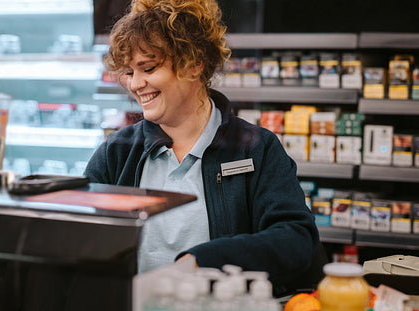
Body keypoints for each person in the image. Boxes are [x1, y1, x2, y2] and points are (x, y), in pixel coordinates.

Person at [84, 0, 320, 295]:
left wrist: (205, 261)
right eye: (129, 72)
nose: (135, 83)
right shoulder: (117, 153)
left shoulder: (256, 150)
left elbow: (296, 240)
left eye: (148, 68)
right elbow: (83, 235)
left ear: (194, 64)